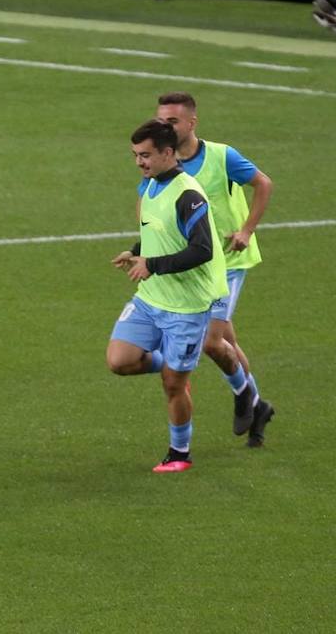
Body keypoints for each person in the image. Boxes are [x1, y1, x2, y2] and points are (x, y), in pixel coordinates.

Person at [107, 120, 228, 473]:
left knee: (174, 386)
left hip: (186, 308)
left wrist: (153, 264)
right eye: (135, 155)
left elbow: (202, 249)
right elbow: (155, 232)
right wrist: (135, 252)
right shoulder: (149, 186)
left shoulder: (187, 195)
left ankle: (179, 454)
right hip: (151, 298)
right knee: (119, 360)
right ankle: (176, 364)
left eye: (145, 155)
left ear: (168, 153)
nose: (139, 162)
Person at [156, 92, 276, 446]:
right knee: (228, 344)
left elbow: (263, 184)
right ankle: (258, 406)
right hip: (196, 266)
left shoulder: (222, 156)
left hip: (229, 260)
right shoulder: (162, 161)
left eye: (172, 122)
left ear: (191, 123)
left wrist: (246, 230)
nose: (165, 127)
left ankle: (245, 398)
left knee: (212, 341)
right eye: (162, 120)